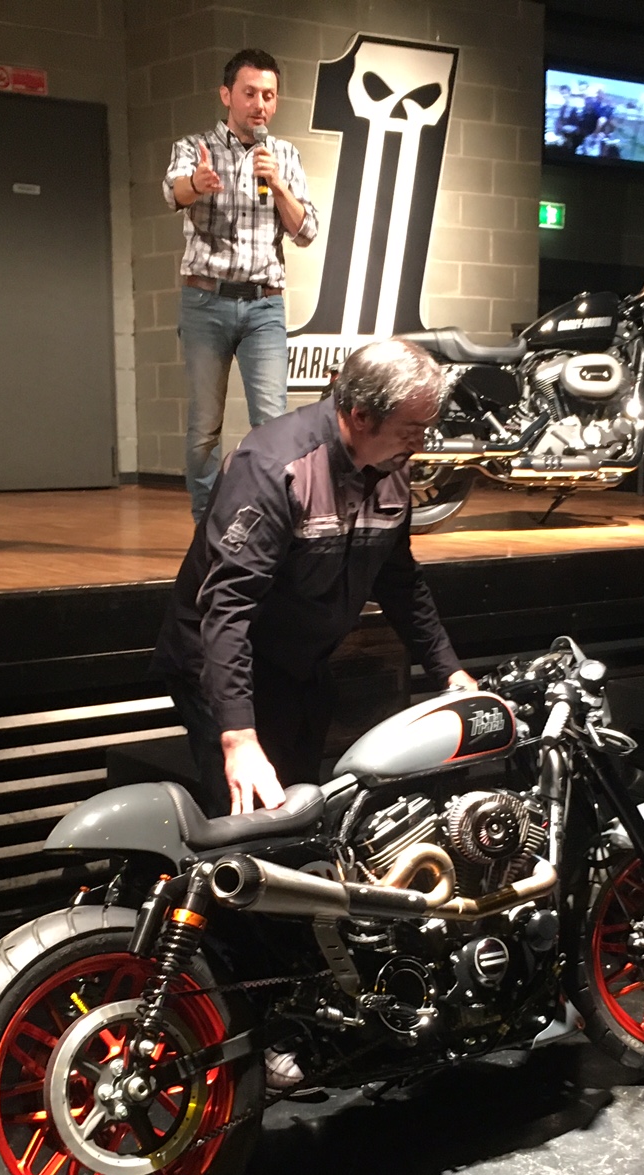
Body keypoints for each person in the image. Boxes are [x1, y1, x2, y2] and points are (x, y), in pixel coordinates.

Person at [152, 338, 477, 819]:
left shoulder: (392, 465)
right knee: (249, 816)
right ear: (361, 416)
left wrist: (449, 672)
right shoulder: (274, 466)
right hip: (220, 660)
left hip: (299, 661)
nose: (421, 444)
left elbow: (399, 580)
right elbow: (228, 608)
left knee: (302, 807)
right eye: (411, 430)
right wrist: (239, 737)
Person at [163, 48, 320, 521]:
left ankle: (267, 523)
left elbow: (306, 231)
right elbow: (173, 192)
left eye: (268, 96)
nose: (259, 105)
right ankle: (206, 527)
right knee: (204, 427)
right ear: (226, 95)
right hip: (205, 301)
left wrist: (279, 184)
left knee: (272, 424)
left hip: (263, 308)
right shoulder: (195, 147)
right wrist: (198, 183)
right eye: (250, 93)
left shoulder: (284, 155)